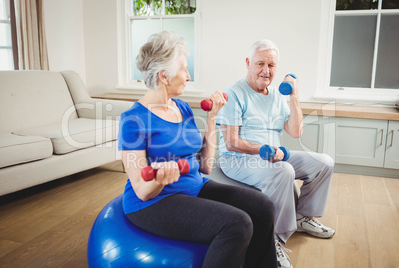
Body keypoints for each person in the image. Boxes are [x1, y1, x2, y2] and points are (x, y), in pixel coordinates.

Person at [118, 31, 277, 268]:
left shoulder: (181, 107)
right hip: (154, 202)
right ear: (164, 76)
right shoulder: (133, 120)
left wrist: (212, 118)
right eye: (184, 69)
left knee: (263, 206)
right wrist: (161, 179)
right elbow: (142, 190)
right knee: (237, 224)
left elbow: (205, 166)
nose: (188, 76)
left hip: (195, 186)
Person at [216, 39, 335, 268]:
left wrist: (294, 96)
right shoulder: (234, 93)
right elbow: (231, 143)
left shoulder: (277, 95)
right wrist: (262, 150)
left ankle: (302, 218)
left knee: (324, 163)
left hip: (274, 154)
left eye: (271, 66)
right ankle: (273, 241)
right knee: (284, 170)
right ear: (248, 62)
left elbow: (295, 131)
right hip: (239, 158)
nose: (266, 70)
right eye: (260, 63)